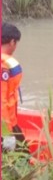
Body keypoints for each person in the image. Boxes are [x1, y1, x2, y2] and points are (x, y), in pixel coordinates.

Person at [1, 22, 24, 150]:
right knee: (22, 156)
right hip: (5, 124)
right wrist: (6, 133)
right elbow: (2, 102)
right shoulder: (3, 66)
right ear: (12, 42)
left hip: (9, 121)